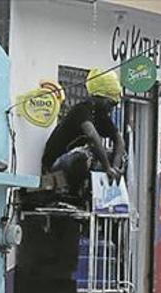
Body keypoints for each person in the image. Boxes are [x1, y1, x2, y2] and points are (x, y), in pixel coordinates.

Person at [42, 68, 125, 199]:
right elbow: (92, 137)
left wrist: (115, 166)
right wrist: (107, 167)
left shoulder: (101, 115)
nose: (111, 109)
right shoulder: (80, 110)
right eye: (111, 103)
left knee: (112, 154)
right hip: (52, 171)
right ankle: (71, 191)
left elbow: (119, 140)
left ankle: (91, 192)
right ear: (100, 98)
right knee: (85, 155)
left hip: (70, 167)